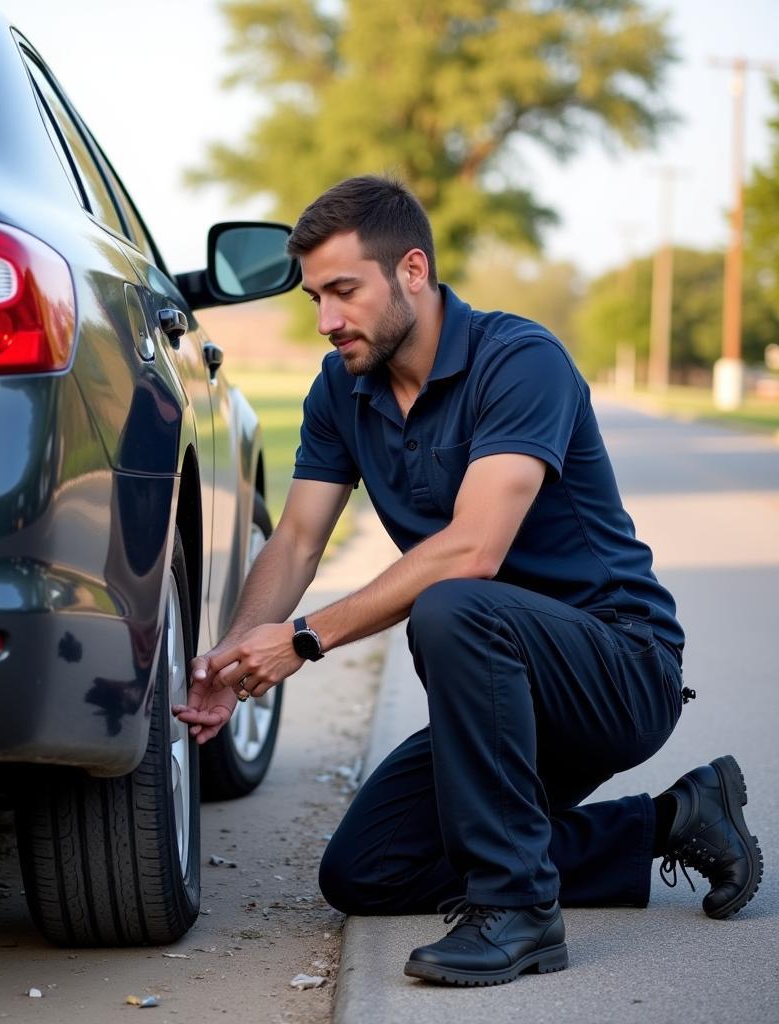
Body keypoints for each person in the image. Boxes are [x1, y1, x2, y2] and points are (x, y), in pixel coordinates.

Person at [172, 175, 762, 987]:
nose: (327, 319)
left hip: (618, 668)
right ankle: (676, 820)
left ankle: (518, 913)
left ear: (412, 270)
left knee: (452, 602)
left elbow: (473, 549)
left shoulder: (520, 361)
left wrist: (306, 639)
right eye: (314, 297)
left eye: (344, 290)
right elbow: (301, 537)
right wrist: (233, 658)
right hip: (494, 693)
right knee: (366, 872)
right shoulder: (341, 387)